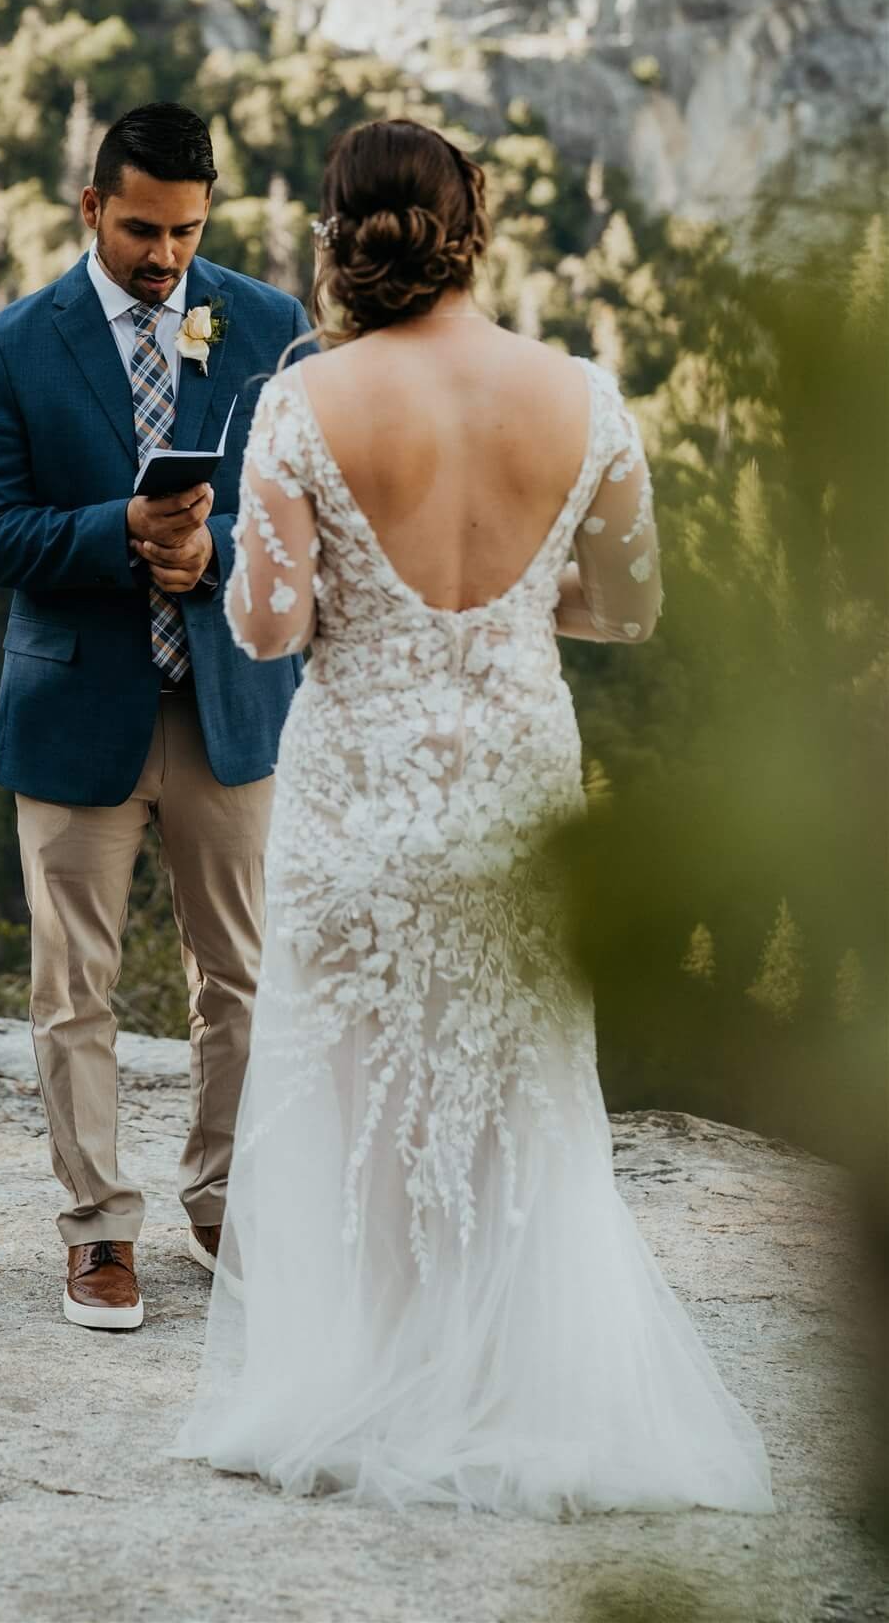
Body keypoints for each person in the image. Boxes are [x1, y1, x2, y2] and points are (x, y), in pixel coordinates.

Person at [174, 117, 774, 1516]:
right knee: (516, 1092)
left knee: (346, 1086)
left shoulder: (300, 405)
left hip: (356, 794)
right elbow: (622, 610)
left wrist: (347, 601)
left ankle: (355, 1370)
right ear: (473, 223)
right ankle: (515, 1384)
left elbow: (264, 625)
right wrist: (507, 610)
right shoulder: (582, 393)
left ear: (338, 237)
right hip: (509, 783)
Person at [0, 102, 313, 1331]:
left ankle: (224, 1197)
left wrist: (207, 556)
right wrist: (117, 531)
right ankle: (99, 1227)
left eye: (188, 231)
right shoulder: (14, 345)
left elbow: (301, 520)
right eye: (144, 229)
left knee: (245, 974)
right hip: (76, 711)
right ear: (91, 206)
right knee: (76, 987)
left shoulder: (270, 324)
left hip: (231, 705)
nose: (167, 257)